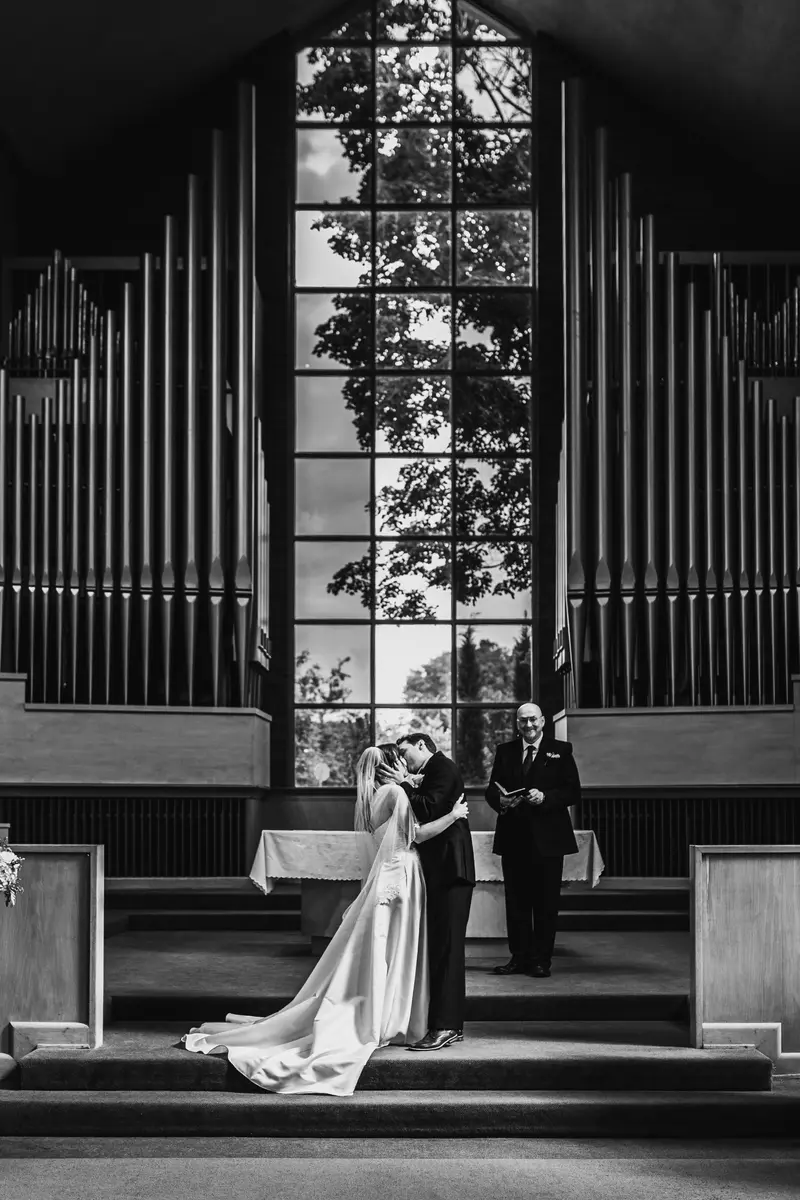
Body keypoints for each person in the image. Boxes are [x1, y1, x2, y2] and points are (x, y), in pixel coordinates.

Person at [182, 744, 468, 1095]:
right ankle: (386, 1017)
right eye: (400, 760)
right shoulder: (395, 793)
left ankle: (382, 1011)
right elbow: (417, 835)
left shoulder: (373, 796)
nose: (406, 767)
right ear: (391, 766)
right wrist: (454, 815)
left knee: (381, 950)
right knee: (394, 949)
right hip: (401, 876)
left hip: (388, 876)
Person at [381, 732, 476, 1051]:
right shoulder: (431, 771)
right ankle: (448, 1023)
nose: (402, 759)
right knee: (441, 949)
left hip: (452, 871)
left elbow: (428, 809)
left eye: (405, 751)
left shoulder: (442, 767)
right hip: (442, 872)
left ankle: (446, 1026)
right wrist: (410, 782)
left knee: (448, 950)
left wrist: (404, 784)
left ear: (422, 745)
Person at [485, 702, 581, 978]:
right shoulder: (505, 751)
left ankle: (541, 960)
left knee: (545, 903)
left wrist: (546, 797)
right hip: (513, 837)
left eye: (533, 720)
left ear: (543, 721)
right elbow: (492, 788)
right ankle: (518, 957)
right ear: (517, 723)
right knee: (516, 903)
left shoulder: (561, 750)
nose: (528, 725)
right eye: (523, 721)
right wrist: (500, 800)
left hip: (548, 839)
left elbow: (573, 792)